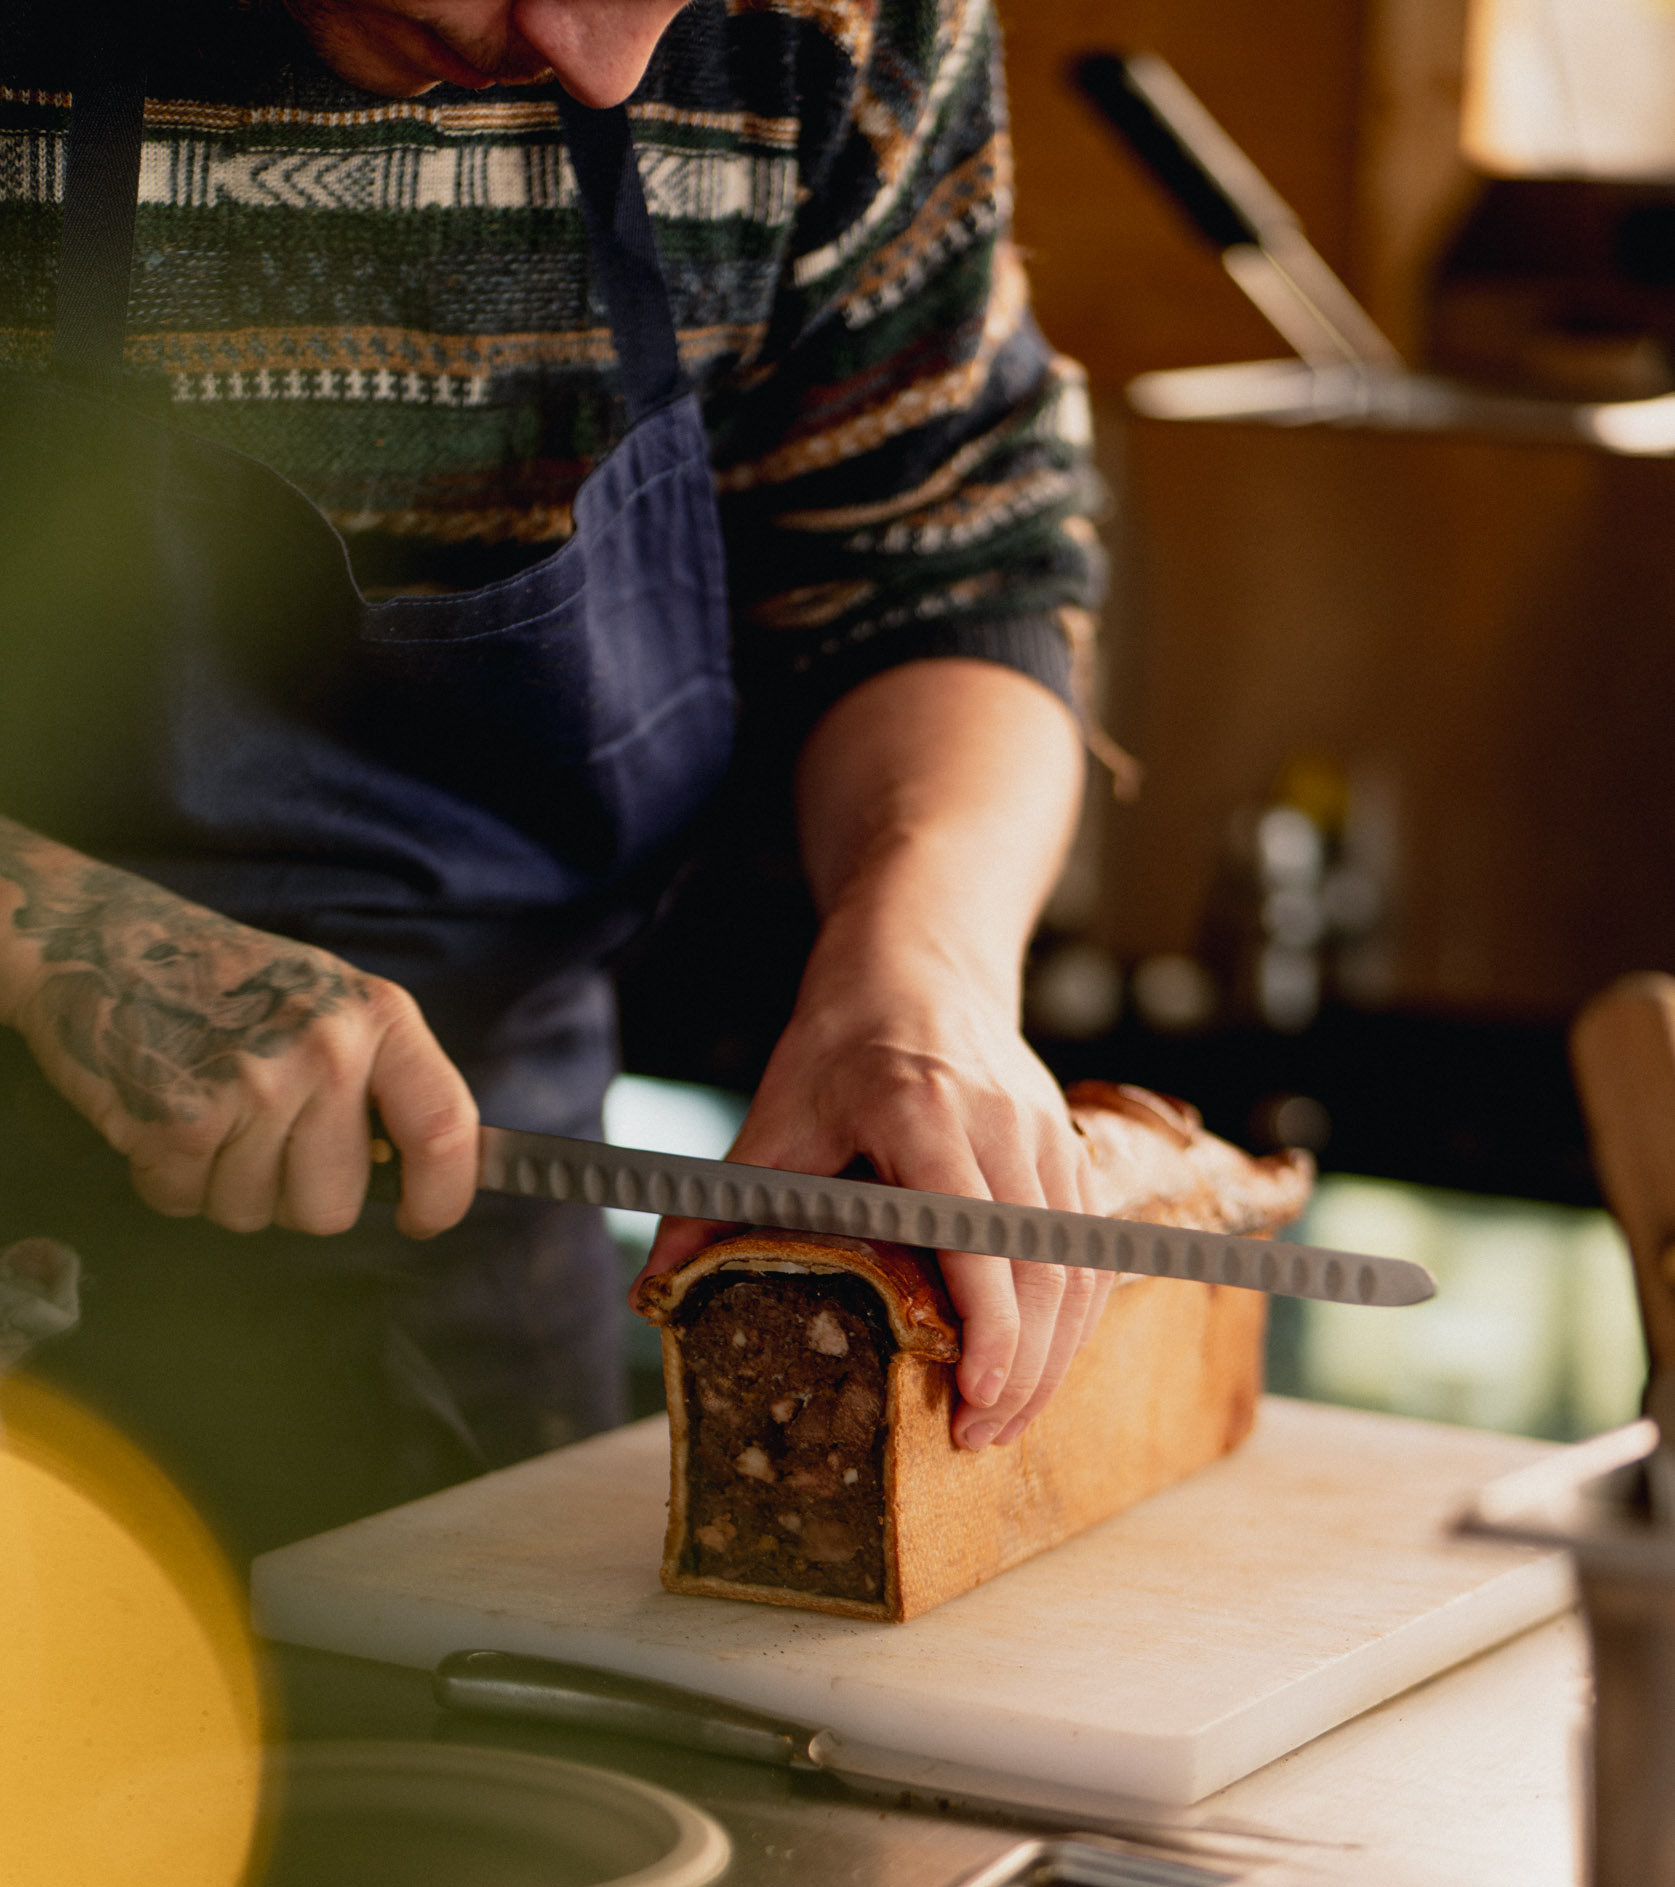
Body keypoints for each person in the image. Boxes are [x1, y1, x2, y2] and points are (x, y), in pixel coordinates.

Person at [0, 0, 1109, 1560]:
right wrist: (48, 929)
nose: (601, 64)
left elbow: (940, 564)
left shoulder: (845, 20)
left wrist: (923, 960)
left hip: (461, 1292)